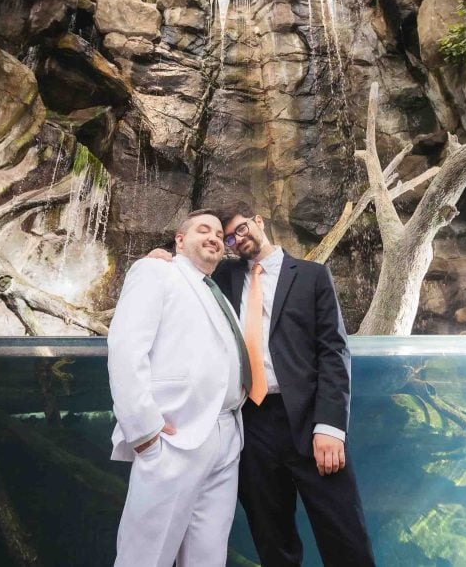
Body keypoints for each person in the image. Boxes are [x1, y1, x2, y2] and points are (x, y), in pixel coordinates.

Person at [149, 202, 375, 566]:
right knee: (272, 539)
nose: (236, 240)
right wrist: (162, 258)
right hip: (250, 425)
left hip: (310, 420)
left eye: (240, 229)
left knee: (344, 534)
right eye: (228, 238)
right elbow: (187, 269)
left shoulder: (313, 275)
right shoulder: (223, 277)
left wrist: (331, 426)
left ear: (258, 221)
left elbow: (333, 351)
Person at [108, 209, 252, 567]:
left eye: (220, 235)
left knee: (208, 551)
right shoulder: (156, 271)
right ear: (179, 240)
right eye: (204, 230)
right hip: (173, 434)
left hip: (228, 432)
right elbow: (126, 347)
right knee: (147, 552)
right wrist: (144, 430)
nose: (214, 238)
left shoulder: (218, 293)